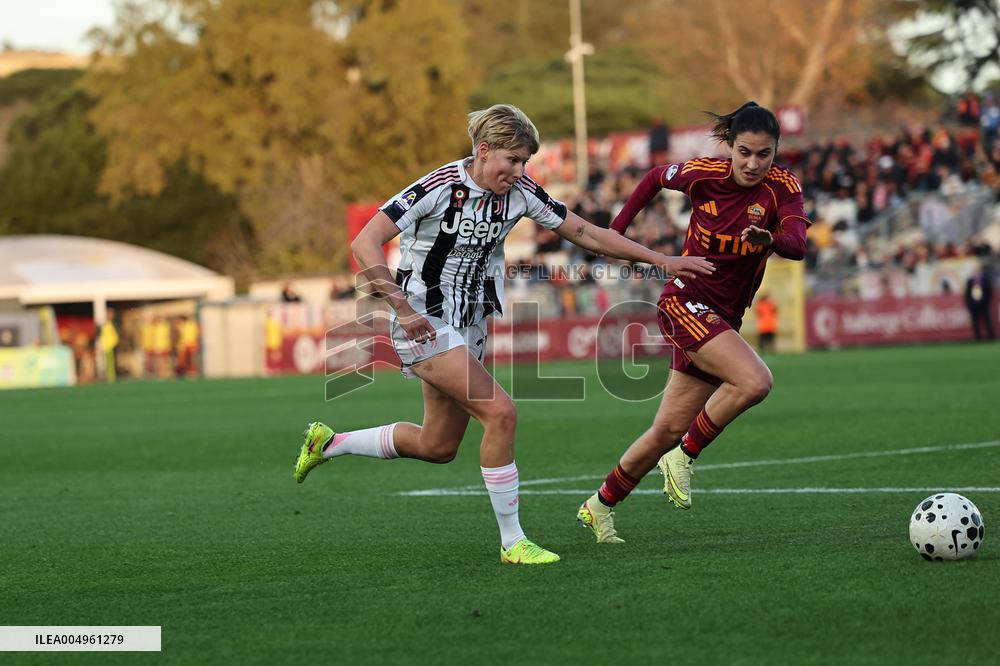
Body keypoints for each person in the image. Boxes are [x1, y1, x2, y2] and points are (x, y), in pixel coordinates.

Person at [294, 104, 713, 565]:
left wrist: (663, 260)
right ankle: (513, 541)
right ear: (484, 150)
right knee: (501, 414)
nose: (519, 171)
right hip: (423, 320)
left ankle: (329, 443)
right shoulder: (438, 187)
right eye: (511, 160)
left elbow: (587, 234)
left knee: (438, 446)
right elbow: (364, 242)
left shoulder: (521, 193)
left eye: (525, 162)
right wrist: (400, 306)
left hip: (470, 323)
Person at [576, 101, 810, 544]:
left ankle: (599, 506)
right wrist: (617, 231)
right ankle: (685, 455)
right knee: (755, 381)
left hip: (723, 318)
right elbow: (652, 178)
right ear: (730, 146)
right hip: (685, 301)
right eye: (744, 152)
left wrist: (771, 239)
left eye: (764, 154)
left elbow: (797, 245)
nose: (753, 163)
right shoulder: (704, 173)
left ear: (776, 152)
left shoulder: (783, 188)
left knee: (664, 429)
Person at [965, 263, 995, 341]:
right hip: (974, 304)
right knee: (975, 321)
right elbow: (967, 294)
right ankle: (977, 337)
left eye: (978, 269)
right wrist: (969, 304)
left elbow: (989, 292)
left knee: (987, 320)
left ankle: (990, 336)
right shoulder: (970, 280)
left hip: (984, 304)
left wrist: (987, 301)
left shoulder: (985, 279)